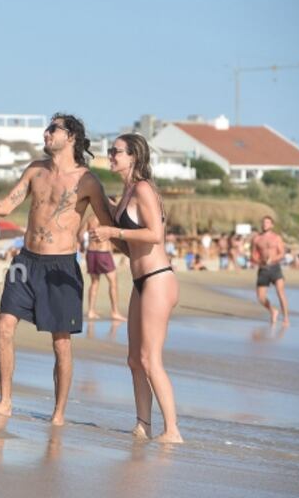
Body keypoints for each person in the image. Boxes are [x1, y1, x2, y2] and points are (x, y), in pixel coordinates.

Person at [0, 113, 115, 426]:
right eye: (48, 128)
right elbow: (6, 206)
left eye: (53, 129)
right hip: (26, 262)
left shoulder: (87, 180)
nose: (47, 133)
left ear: (72, 137)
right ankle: (5, 401)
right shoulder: (35, 170)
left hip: (60, 267)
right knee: (4, 326)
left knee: (61, 342)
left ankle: (59, 414)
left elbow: (109, 222)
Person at [89, 133, 183, 443]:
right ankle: (143, 424)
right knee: (134, 359)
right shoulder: (126, 192)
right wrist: (107, 236)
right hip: (140, 280)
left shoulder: (143, 189)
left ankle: (173, 431)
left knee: (150, 359)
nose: (111, 155)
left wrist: (113, 229)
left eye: (116, 151)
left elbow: (155, 234)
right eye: (110, 151)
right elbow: (130, 247)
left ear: (134, 156)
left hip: (158, 278)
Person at [82, 215, 126, 321]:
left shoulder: (90, 218)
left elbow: (81, 235)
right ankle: (115, 312)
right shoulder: (106, 218)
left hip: (91, 252)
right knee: (113, 282)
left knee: (94, 282)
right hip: (103, 252)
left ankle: (91, 311)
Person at [250, 216, 290, 327]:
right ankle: (273, 310)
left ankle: (286, 318)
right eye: (263, 222)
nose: (265, 224)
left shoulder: (277, 238)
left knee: (280, 293)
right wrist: (260, 261)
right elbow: (252, 255)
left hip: (275, 268)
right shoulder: (256, 239)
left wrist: (272, 259)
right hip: (263, 269)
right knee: (261, 297)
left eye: (267, 223)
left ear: (272, 225)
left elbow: (282, 253)